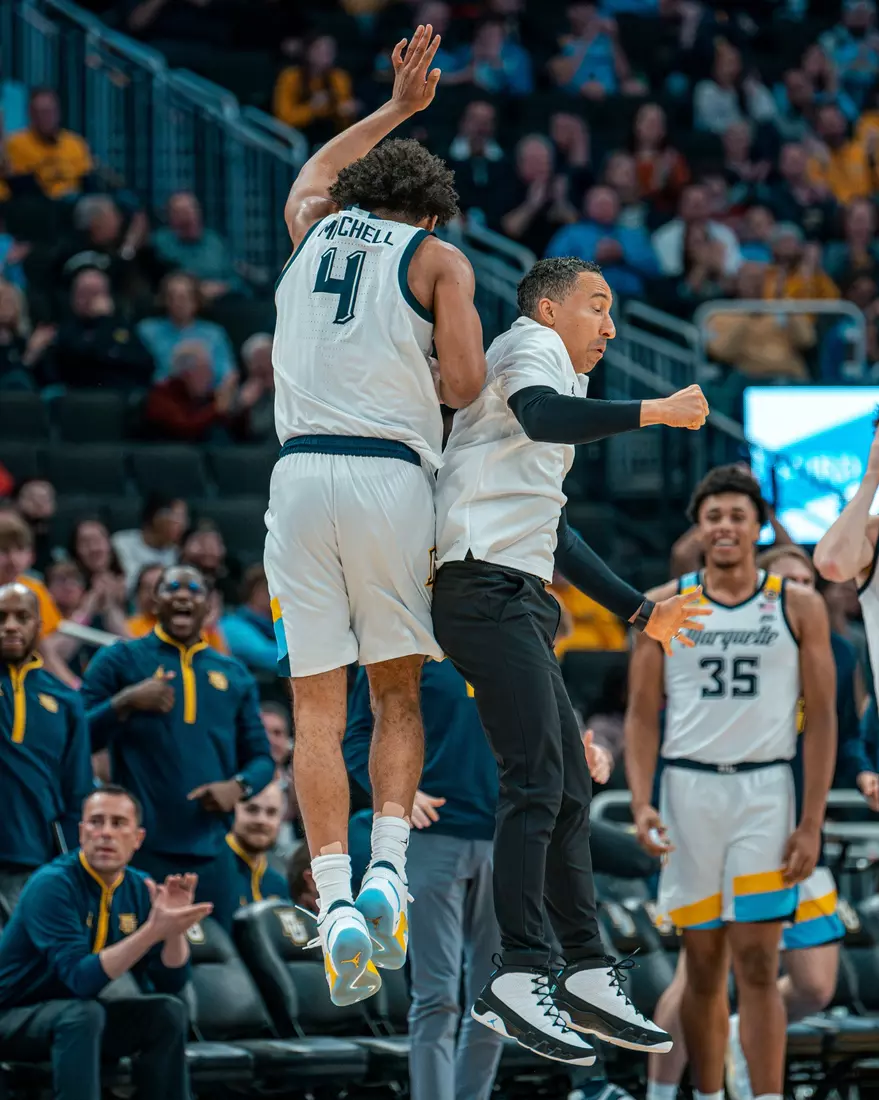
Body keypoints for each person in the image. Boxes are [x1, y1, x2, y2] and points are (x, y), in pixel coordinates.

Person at [431, 256, 711, 1064]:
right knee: (535, 778)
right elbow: (544, 416)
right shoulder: (529, 346)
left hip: (514, 588)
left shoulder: (559, 372)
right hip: (481, 585)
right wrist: (655, 410)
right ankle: (518, 972)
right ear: (549, 308)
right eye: (598, 307)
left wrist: (639, 609)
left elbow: (552, 526)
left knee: (564, 783)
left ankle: (583, 968)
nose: (611, 327)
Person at [264, 23, 485, 1006]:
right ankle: (390, 865)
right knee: (394, 691)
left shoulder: (312, 223)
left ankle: (334, 895)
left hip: (297, 477)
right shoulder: (438, 262)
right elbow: (468, 383)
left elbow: (313, 166)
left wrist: (396, 108)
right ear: (430, 217)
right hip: (390, 474)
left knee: (315, 703)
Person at [626, 465, 837, 1100]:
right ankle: (710, 1093)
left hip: (766, 792)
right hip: (688, 792)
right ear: (700, 525)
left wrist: (811, 821)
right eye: (714, 515)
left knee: (757, 962)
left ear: (758, 527)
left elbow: (822, 718)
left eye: (737, 516)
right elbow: (640, 713)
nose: (724, 526)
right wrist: (640, 801)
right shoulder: (666, 603)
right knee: (702, 965)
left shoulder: (797, 604)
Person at [81, 565, 274, 931]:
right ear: (155, 601)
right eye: (171, 587)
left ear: (210, 605)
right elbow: (77, 736)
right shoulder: (121, 659)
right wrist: (125, 702)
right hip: (140, 850)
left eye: (194, 589)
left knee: (221, 962)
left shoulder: (233, 674)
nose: (183, 595)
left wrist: (238, 787)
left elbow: (262, 758)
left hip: (213, 849)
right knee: (143, 959)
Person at [344, 659, 503, 1100]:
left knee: (496, 998)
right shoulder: (401, 640)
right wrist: (394, 794)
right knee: (437, 996)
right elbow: (358, 736)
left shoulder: (507, 635)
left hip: (506, 837)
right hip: (432, 836)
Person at [0, 786, 211, 1100]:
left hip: (76, 1016)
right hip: (13, 1016)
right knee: (82, 1014)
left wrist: (173, 929)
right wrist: (152, 930)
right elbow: (80, 979)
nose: (106, 833)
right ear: (82, 832)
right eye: (96, 823)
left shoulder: (140, 886)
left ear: (137, 838)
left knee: (167, 1011)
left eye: (118, 823)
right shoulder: (52, 884)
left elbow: (171, 982)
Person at [0, 583, 93, 914]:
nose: (10, 625)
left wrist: (71, 866)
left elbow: (77, 790)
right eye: (1, 617)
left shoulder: (66, 700)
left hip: (36, 860)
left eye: (22, 617)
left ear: (39, 626)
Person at [4, 88, 93, 199]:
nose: (45, 117)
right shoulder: (15, 144)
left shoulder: (75, 143)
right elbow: (18, 183)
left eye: (49, 111)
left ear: (58, 113)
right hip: (36, 203)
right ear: (31, 114)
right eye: (40, 112)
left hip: (73, 202)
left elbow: (86, 180)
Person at [223, 781, 290, 919]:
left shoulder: (280, 883)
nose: (261, 820)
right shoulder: (212, 870)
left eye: (271, 812)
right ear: (232, 810)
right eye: (252, 809)